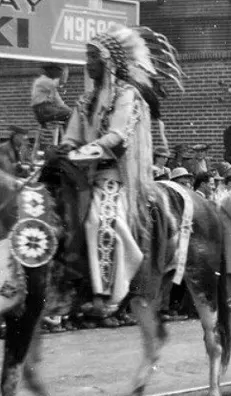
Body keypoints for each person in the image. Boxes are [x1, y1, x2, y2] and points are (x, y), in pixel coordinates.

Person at [58, 26, 182, 318]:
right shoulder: (84, 100)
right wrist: (64, 149)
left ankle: (104, 295)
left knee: (100, 220)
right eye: (87, 57)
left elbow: (117, 137)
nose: (88, 63)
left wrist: (78, 153)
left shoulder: (128, 96)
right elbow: (71, 136)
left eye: (93, 57)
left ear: (109, 62)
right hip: (80, 173)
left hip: (113, 176)